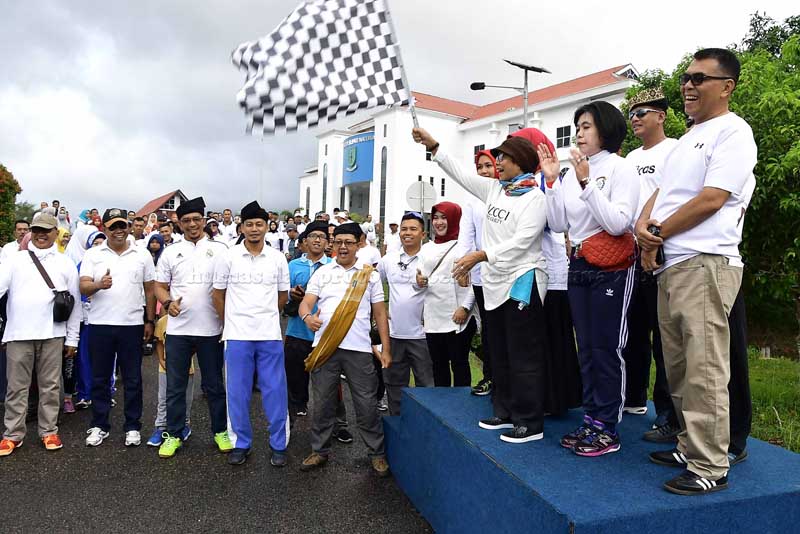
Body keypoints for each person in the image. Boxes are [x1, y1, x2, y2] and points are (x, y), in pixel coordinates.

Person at [637, 48, 757, 495]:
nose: (688, 85)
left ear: (726, 87)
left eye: (700, 79)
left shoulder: (734, 132)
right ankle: (690, 447)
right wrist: (642, 229)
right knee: (680, 367)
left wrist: (657, 234)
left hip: (706, 261)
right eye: (686, 77)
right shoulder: (689, 138)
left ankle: (710, 466)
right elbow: (662, 193)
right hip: (675, 262)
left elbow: (714, 198)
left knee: (704, 367)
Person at [414, 128, 549, 445]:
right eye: (498, 156)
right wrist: (434, 145)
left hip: (523, 280)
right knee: (498, 350)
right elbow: (459, 173)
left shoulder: (535, 198)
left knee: (522, 354)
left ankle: (529, 422)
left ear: (522, 161)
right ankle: (504, 411)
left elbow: (522, 242)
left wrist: (482, 254)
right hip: (493, 283)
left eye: (504, 157)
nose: (498, 162)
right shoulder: (494, 190)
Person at [538, 101, 639, 456]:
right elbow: (559, 224)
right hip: (578, 264)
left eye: (586, 126)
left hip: (611, 267)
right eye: (577, 126)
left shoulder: (621, 168)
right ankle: (591, 418)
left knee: (606, 347)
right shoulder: (569, 174)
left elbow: (617, 223)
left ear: (606, 130)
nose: (579, 133)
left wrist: (586, 183)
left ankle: (608, 426)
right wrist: (552, 182)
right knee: (586, 347)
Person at [297, 222, 391, 476]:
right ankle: (320, 450)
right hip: (325, 348)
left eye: (348, 242)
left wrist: (386, 348)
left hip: (359, 350)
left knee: (366, 404)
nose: (342, 247)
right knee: (324, 403)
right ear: (332, 244)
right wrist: (308, 318)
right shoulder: (323, 273)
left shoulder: (368, 275)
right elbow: (305, 304)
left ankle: (377, 453)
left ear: (359, 243)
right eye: (338, 242)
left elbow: (381, 314)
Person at [212, 201, 291, 467]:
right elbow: (218, 295)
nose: (254, 229)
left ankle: (278, 444)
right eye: (249, 224)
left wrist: (265, 315)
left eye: (259, 224)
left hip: (269, 333)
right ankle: (240, 443)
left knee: (275, 391)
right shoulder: (228, 256)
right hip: (237, 335)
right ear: (241, 227)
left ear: (267, 227)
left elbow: (282, 296)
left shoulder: (278, 258)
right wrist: (231, 322)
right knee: (237, 392)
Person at [154, 197, 232, 459]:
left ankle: (220, 431)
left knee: (214, 386)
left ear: (204, 220)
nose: (192, 224)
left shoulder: (221, 249)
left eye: (196, 219)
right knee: (175, 386)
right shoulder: (171, 251)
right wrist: (167, 303)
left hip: (211, 330)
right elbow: (159, 286)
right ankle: (174, 434)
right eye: (186, 220)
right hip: (178, 330)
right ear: (179, 223)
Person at [512, 127, 582, 417]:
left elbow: (557, 224)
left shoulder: (553, 179)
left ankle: (558, 399)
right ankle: (535, 397)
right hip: (524, 271)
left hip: (551, 274)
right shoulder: (514, 185)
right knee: (532, 340)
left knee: (554, 338)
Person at [0, 212, 81, 456]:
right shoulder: (15, 260)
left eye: (46, 231)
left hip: (52, 334)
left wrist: (72, 338)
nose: (41, 235)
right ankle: (12, 434)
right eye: (36, 230)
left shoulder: (65, 262)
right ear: (30, 233)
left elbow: (74, 303)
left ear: (56, 233)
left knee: (51, 386)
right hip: (18, 334)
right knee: (16, 387)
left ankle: (48, 431)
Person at [622, 88, 680, 428]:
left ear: (661, 115)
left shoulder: (676, 151)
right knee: (634, 329)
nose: (636, 119)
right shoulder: (628, 159)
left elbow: (673, 201)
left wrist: (653, 242)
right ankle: (633, 396)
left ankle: (668, 411)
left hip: (662, 249)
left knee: (665, 336)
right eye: (632, 114)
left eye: (642, 112)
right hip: (630, 253)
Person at [80, 208, 156, 447]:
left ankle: (132, 426)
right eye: (113, 226)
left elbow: (150, 289)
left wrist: (149, 320)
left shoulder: (141, 254)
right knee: (100, 377)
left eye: (122, 225)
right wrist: (99, 284)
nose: (119, 230)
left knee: (133, 378)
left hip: (131, 325)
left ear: (128, 226)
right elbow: (83, 288)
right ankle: (99, 424)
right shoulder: (93, 254)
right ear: (104, 228)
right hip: (100, 324)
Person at [415, 202, 476, 388]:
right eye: (435, 218)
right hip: (434, 317)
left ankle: (462, 406)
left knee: (459, 363)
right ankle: (441, 408)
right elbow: (418, 279)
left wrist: (465, 308)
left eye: (444, 217)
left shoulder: (466, 246)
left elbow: (477, 281)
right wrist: (418, 281)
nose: (439, 222)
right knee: (438, 365)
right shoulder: (426, 248)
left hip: (458, 316)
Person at [378, 211, 433, 415]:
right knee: (394, 385)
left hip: (423, 335)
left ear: (423, 234)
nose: (407, 233)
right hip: (394, 335)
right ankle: (397, 424)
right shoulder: (388, 260)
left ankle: (425, 426)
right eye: (404, 229)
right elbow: (374, 286)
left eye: (413, 229)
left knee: (426, 385)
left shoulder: (430, 258)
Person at [458, 150, 497, 396]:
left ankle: (509, 380)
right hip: (482, 277)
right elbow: (466, 236)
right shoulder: (472, 201)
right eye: (480, 167)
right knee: (488, 331)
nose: (484, 171)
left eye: (488, 166)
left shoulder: (508, 194)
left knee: (507, 331)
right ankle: (490, 377)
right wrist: (463, 266)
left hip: (507, 275)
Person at [285, 222, 333, 418]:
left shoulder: (334, 266)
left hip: (326, 332)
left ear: (327, 243)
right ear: (304, 241)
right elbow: (281, 293)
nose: (317, 239)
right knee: (295, 376)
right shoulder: (293, 265)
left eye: (322, 236)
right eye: (313, 236)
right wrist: (291, 293)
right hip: (297, 329)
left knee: (329, 381)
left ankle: (336, 422)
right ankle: (296, 410)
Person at [74, 231, 107, 411]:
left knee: (106, 359)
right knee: (85, 359)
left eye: (102, 242)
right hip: (85, 319)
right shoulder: (81, 265)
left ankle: (106, 392)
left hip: (107, 318)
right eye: (95, 243)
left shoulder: (111, 263)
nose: (99, 246)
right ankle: (85, 394)